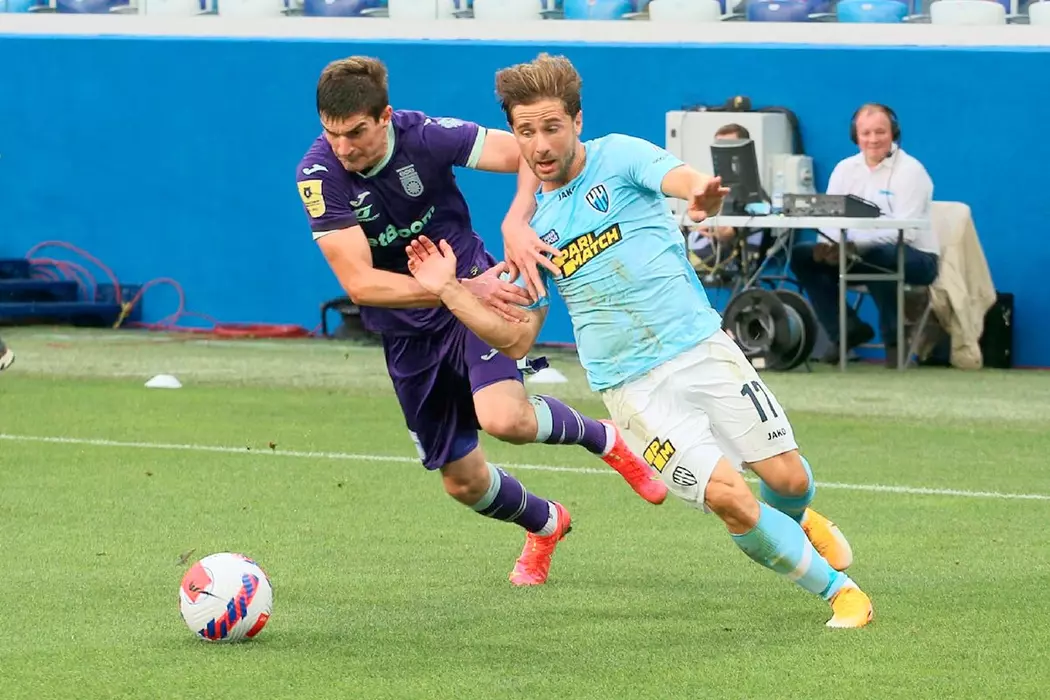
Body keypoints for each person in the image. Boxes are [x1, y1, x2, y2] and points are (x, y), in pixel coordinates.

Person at [406, 53, 873, 628]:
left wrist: (702, 194)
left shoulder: (620, 156)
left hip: (702, 349)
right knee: (729, 498)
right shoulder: (532, 234)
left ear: (577, 120)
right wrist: (449, 290)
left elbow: (683, 180)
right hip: (633, 392)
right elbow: (518, 340)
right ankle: (841, 594)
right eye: (526, 132)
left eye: (552, 127)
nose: (540, 145)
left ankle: (797, 519)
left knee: (790, 481)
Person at [294, 56, 668, 587]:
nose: (343, 148)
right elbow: (361, 285)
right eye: (332, 134)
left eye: (356, 133)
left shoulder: (425, 135)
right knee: (463, 483)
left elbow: (525, 152)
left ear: (384, 117)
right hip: (410, 328)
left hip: (477, 287)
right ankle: (545, 523)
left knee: (504, 419)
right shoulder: (319, 175)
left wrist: (517, 217)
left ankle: (604, 438)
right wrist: (454, 290)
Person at [789, 103, 939, 368]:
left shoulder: (911, 171)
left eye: (880, 132)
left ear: (893, 133)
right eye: (866, 133)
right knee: (803, 256)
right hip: (855, 252)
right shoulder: (845, 169)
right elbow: (830, 218)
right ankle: (846, 331)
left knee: (877, 255)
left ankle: (895, 341)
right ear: (855, 136)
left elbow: (905, 232)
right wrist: (829, 245)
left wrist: (856, 245)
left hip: (917, 258)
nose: (873, 139)